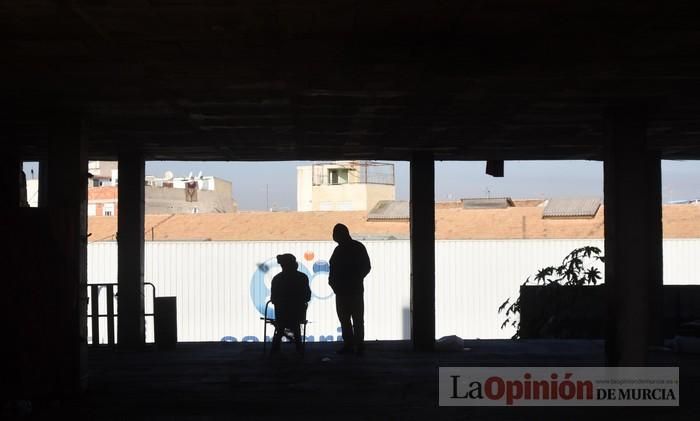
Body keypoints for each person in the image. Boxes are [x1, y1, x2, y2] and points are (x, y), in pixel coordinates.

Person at [328, 223, 371, 355]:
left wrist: (335, 284)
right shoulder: (357, 247)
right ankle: (358, 345)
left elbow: (333, 269)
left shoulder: (339, 251)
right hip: (353, 290)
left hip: (344, 291)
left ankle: (350, 345)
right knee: (356, 319)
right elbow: (366, 267)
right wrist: (357, 279)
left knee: (346, 319)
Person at [270, 253, 311, 354]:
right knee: (295, 324)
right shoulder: (302, 277)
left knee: (280, 325)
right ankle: (298, 347)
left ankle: (275, 349)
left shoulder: (277, 279)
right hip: (298, 315)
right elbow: (307, 297)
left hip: (281, 315)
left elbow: (273, 299)